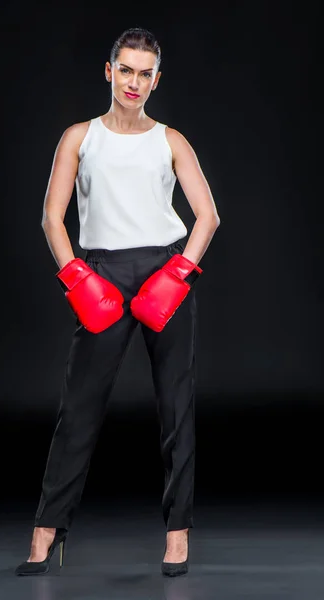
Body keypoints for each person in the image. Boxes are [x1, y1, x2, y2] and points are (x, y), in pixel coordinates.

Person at [15, 26, 220, 578]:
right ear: (109, 71)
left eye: (144, 73)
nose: (134, 82)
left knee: (176, 407)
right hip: (100, 271)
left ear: (157, 80)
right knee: (78, 408)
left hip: (163, 270)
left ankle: (177, 535)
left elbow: (207, 216)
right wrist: (76, 277)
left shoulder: (170, 140)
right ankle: (46, 531)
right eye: (125, 70)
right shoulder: (79, 137)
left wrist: (180, 272)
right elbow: (52, 218)